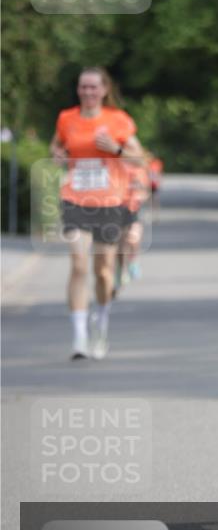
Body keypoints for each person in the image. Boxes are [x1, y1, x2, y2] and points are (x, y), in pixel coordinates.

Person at [50, 67, 143, 360]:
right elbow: (56, 145)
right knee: (78, 264)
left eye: (93, 87)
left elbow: (140, 157)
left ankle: (100, 322)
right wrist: (57, 154)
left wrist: (116, 149)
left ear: (104, 90)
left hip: (109, 202)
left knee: (103, 272)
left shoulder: (118, 120)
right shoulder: (67, 118)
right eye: (82, 87)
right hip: (75, 198)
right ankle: (79, 337)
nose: (87, 92)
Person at [114, 153, 151, 294]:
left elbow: (145, 191)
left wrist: (140, 195)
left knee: (133, 239)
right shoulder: (115, 168)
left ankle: (133, 261)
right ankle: (120, 271)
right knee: (119, 245)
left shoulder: (140, 170)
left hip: (134, 209)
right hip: (116, 208)